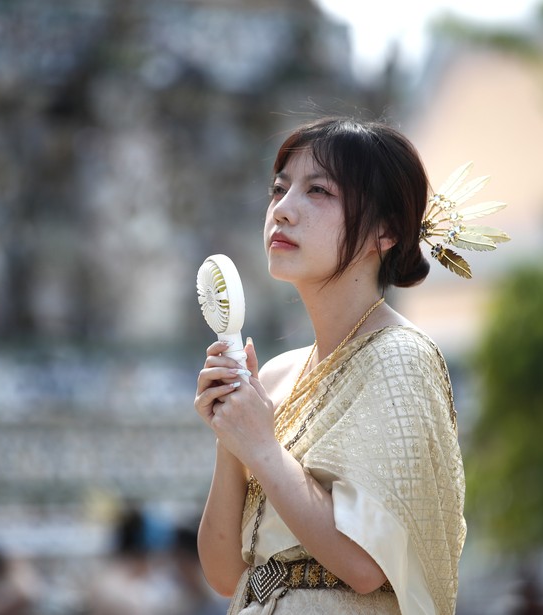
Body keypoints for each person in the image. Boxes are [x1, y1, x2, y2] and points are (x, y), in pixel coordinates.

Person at [193, 118, 501, 614]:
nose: (283, 210)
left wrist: (261, 445)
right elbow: (226, 573)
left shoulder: (402, 358)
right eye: (279, 189)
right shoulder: (273, 376)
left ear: (386, 230)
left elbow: (362, 564)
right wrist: (232, 434)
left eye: (318, 191)